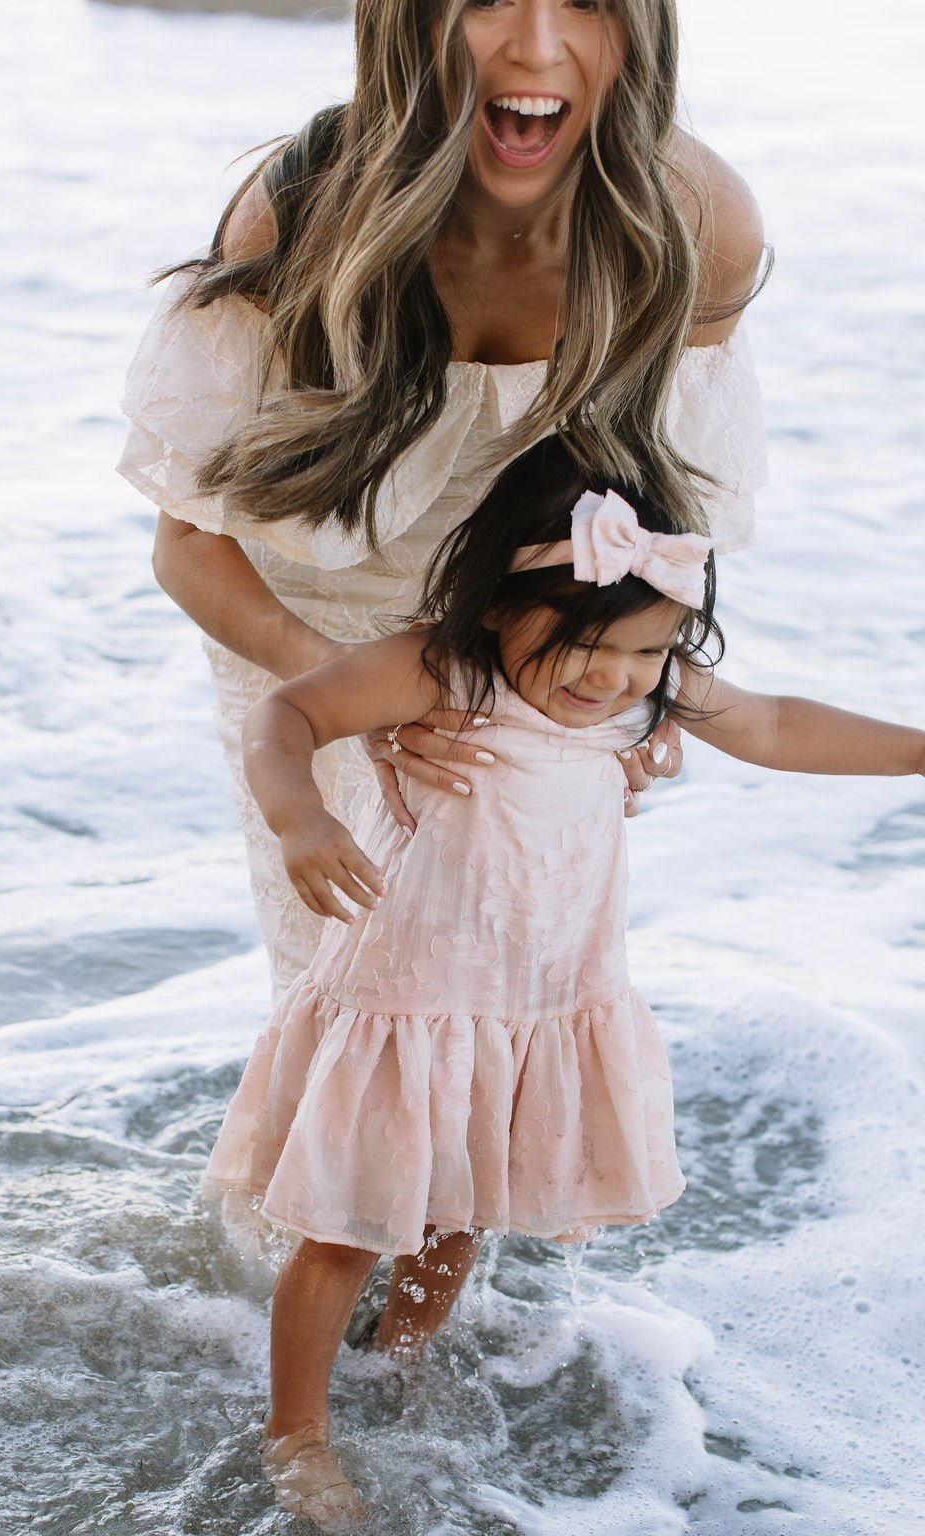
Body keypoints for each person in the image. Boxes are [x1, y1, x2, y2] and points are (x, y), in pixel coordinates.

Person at [203, 436, 925, 1529]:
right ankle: (296, 1432)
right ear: (498, 604)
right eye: (582, 643)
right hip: (412, 999)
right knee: (348, 1227)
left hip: (533, 1006)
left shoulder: (643, 700)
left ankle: (401, 1361)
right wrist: (300, 817)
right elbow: (285, 715)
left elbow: (775, 724)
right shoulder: (447, 670)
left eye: (642, 652)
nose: (610, 676)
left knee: (465, 1205)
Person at [117, 0, 770, 994]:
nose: (537, 45)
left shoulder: (692, 221)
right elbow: (186, 544)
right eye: (488, 0)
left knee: (525, 999)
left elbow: (664, 518)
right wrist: (351, 693)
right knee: (337, 994)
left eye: (585, 6)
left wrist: (638, 666)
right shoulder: (301, 209)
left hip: (528, 643)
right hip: (298, 638)